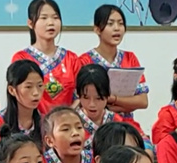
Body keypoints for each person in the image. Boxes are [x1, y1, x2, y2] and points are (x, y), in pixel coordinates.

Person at [80, 4, 150, 144]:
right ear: (97, 29)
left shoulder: (130, 58)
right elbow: (84, 102)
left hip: (127, 124)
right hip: (95, 126)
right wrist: (126, 102)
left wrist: (112, 99)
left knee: (147, 151)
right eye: (110, 24)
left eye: (121, 23)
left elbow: (142, 101)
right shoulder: (84, 61)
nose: (117, 28)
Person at [12, 0, 81, 112]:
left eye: (55, 17)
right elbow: (19, 96)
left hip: (66, 122)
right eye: (44, 18)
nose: (51, 23)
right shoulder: (21, 58)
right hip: (34, 124)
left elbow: (81, 95)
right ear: (30, 23)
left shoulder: (71, 58)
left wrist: (65, 116)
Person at [0, 60, 44, 159]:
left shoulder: (44, 122)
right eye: (28, 87)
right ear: (12, 90)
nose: (36, 92)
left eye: (40, 86)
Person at [76, 64, 123, 149]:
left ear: (107, 95)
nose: (92, 104)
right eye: (86, 98)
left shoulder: (117, 121)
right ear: (78, 95)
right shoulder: (72, 122)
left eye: (98, 98)